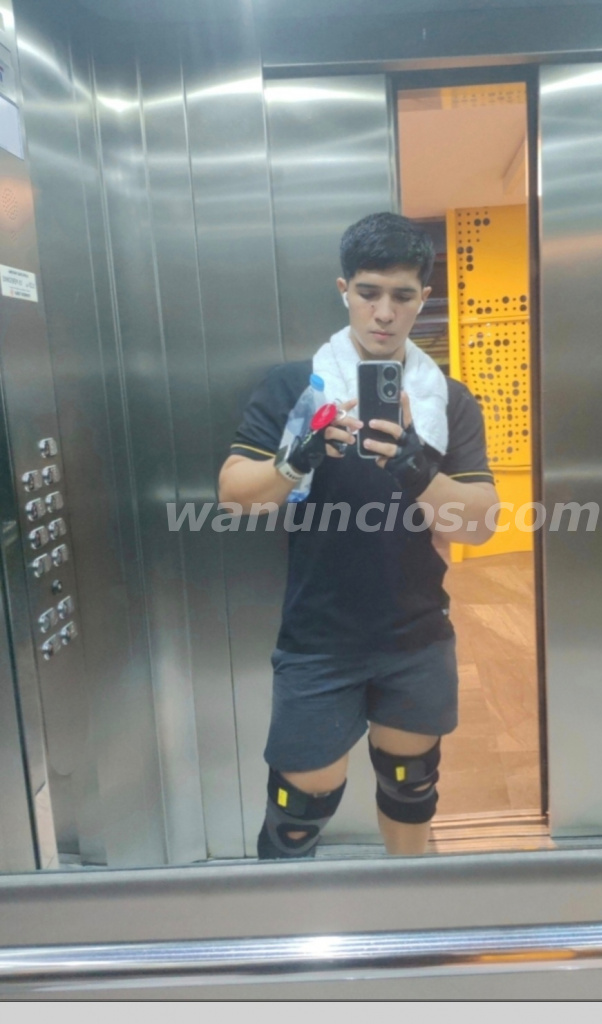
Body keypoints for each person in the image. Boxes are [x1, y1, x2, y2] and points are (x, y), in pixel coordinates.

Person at [218, 212, 498, 859]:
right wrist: (297, 459)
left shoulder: (449, 400)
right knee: (298, 810)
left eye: (402, 295)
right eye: (369, 292)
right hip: (317, 638)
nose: (384, 313)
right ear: (344, 289)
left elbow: (480, 522)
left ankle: (409, 905)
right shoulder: (294, 387)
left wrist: (417, 469)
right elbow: (233, 496)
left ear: (422, 299)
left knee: (411, 786)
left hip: (416, 634)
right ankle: (286, 917)